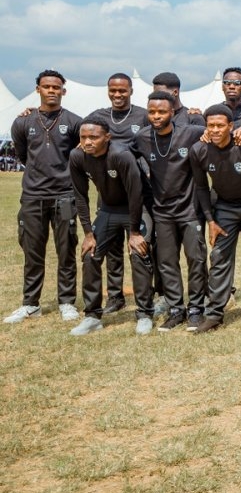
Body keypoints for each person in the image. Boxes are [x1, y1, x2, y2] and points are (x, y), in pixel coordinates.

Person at [4, 70, 82, 326]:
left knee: (66, 250)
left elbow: (79, 154)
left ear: (63, 91)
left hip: (65, 196)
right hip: (33, 196)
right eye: (47, 86)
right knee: (32, 252)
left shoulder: (74, 122)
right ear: (38, 89)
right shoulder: (22, 122)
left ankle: (67, 302)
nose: (51, 91)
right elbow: (23, 156)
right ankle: (31, 304)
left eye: (56, 87)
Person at [68, 117, 154, 335]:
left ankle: (144, 314)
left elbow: (136, 193)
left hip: (137, 208)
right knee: (90, 255)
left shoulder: (121, 155)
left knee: (138, 253)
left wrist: (134, 232)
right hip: (108, 210)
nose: (88, 142)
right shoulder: (77, 156)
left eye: (94, 137)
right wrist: (88, 233)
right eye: (83, 137)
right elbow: (80, 196)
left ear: (107, 137)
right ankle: (92, 316)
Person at [189, 104, 241, 334]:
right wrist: (210, 220)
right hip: (224, 209)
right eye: (211, 125)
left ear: (231, 126)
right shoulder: (199, 150)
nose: (215, 130)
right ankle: (215, 314)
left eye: (220, 125)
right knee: (219, 259)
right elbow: (201, 187)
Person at [132, 91, 208, 332]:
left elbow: (218, 131)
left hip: (190, 209)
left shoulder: (191, 132)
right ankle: (176, 309)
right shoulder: (142, 137)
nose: (156, 116)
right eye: (152, 112)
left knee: (196, 259)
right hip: (162, 211)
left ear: (172, 112)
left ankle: (196, 308)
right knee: (166, 262)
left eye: (162, 111)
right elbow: (120, 151)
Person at [88, 73, 149, 315]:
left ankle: (148, 297)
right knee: (112, 249)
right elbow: (78, 133)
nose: (117, 94)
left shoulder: (143, 115)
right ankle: (115, 297)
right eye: (113, 90)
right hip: (108, 193)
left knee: (141, 247)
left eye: (122, 90)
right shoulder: (98, 116)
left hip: (137, 191)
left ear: (131, 90)